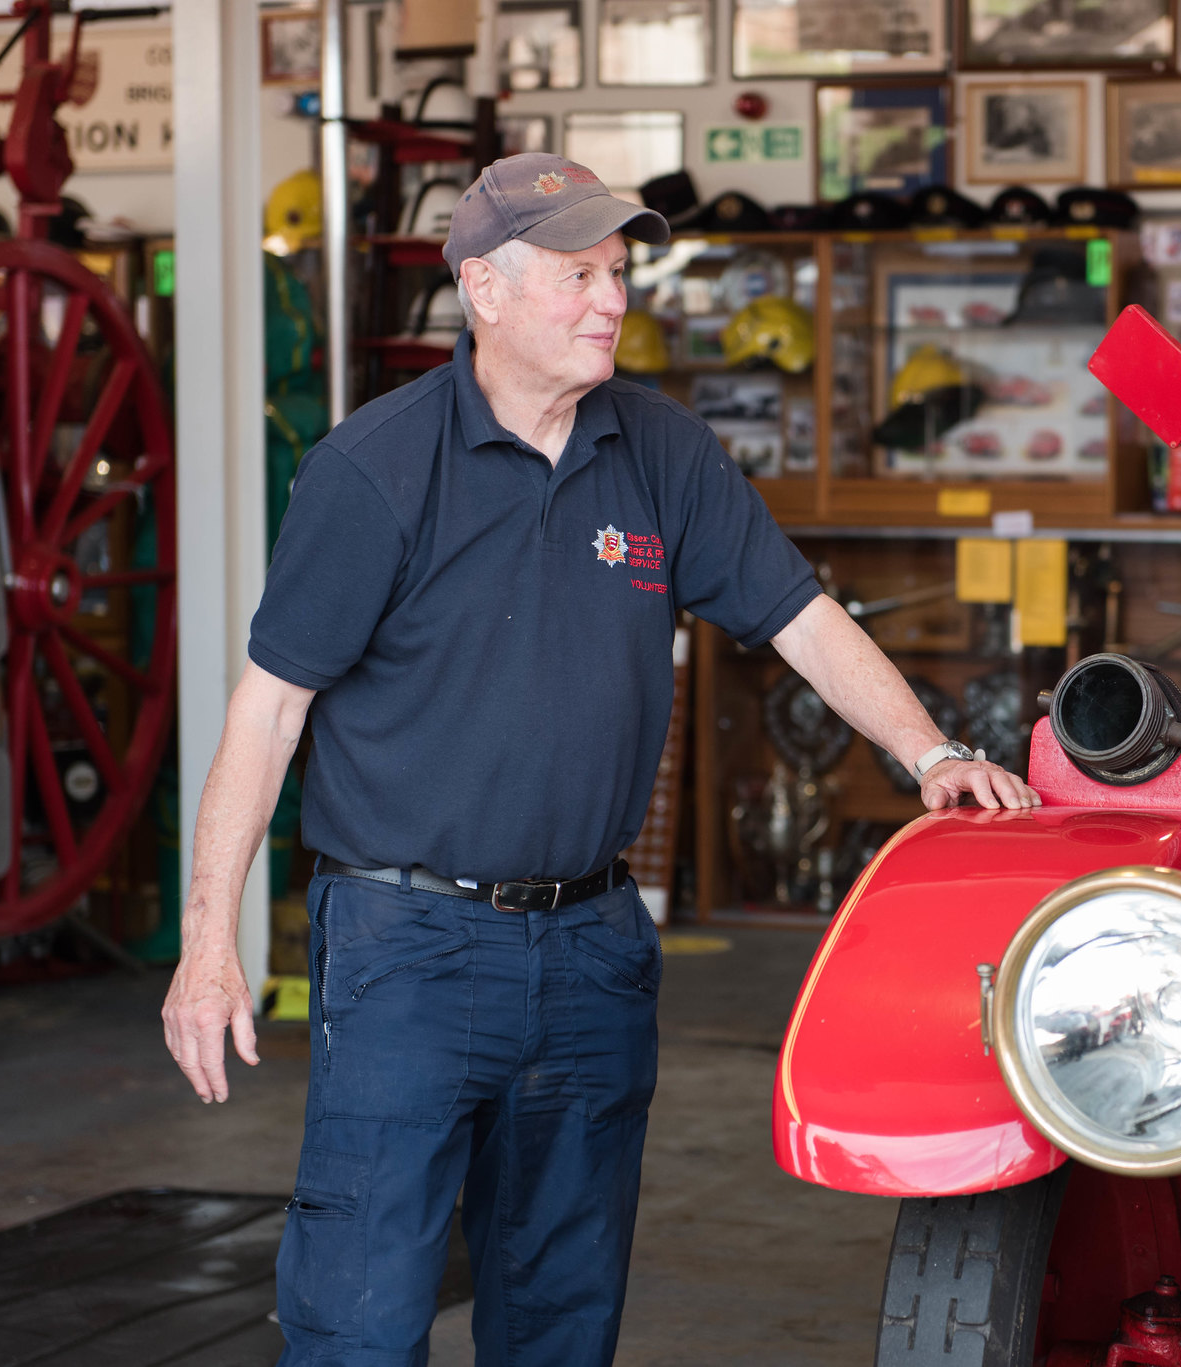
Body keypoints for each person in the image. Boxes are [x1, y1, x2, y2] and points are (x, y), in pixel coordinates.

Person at [160, 152, 1038, 1366]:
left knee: (563, 1314)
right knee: (360, 1311)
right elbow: (266, 712)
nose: (611, 299)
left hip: (590, 949)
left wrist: (929, 749)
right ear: (483, 289)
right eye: (577, 274)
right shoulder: (373, 469)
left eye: (618, 271)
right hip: (407, 946)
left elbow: (800, 614)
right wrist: (211, 949)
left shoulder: (659, 451)